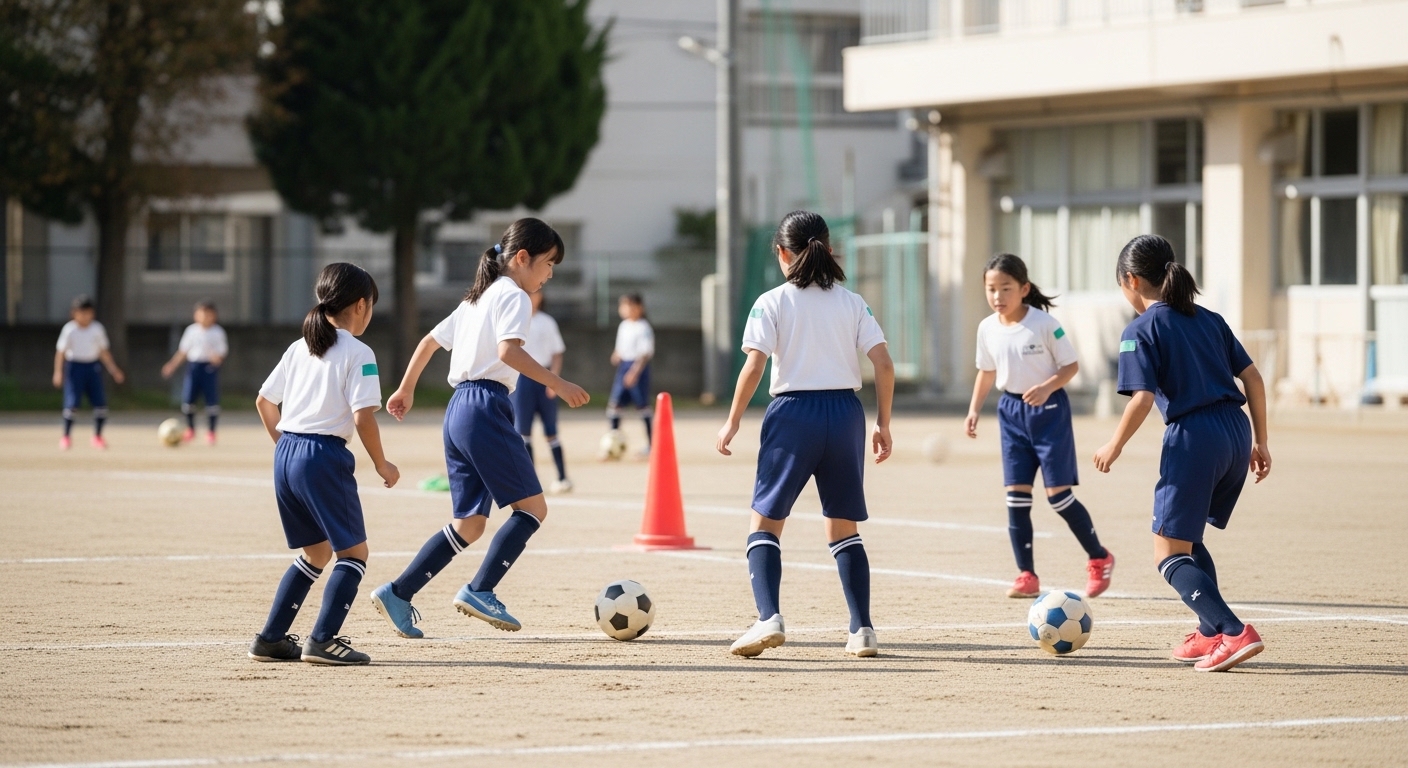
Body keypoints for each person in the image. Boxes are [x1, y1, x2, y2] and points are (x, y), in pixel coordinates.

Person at [369, 218, 589, 640]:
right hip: (486, 406)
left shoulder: (476, 298)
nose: (550, 274)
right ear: (522, 259)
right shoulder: (514, 296)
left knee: (469, 523)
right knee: (533, 509)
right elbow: (509, 352)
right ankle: (481, 589)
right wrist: (557, 383)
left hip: (457, 411)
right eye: (548, 263)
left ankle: (398, 593)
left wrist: (406, 388)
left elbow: (429, 342)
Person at [716, 210, 894, 659]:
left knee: (765, 523)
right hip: (846, 412)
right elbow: (884, 364)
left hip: (794, 414)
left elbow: (754, 366)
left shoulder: (772, 301)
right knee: (843, 527)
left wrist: (733, 419)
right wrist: (883, 423)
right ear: (828, 248)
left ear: (781, 253)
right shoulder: (852, 301)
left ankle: (768, 618)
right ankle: (863, 630)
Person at [1094, 234, 1272, 673]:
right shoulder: (1209, 318)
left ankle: (1232, 632)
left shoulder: (1140, 329)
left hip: (1195, 436)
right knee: (1189, 541)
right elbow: (1254, 380)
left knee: (1167, 552)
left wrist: (1112, 445)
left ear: (1131, 281)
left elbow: (1140, 398)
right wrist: (1261, 441)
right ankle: (1209, 631)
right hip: (1235, 431)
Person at [250, 263, 399, 666]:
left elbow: (265, 402)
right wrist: (383, 464)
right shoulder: (359, 352)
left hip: (287, 454)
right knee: (354, 553)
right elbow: (363, 416)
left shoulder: (299, 347)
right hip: (322, 456)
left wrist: (285, 445)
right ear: (362, 305)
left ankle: (271, 639)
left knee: (315, 553)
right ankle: (324, 640)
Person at [964, 254, 1115, 599]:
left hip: (1048, 412)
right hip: (1011, 413)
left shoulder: (1044, 324)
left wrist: (1048, 386)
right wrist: (974, 409)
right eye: (991, 289)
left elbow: (1071, 365)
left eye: (1006, 288)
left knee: (1058, 498)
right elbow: (986, 371)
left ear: (1024, 289)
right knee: (1016, 498)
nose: (998, 296)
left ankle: (1099, 557)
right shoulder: (986, 328)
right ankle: (1027, 575)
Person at [512, 291, 572, 493]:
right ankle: (531, 481)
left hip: (544, 377)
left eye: (536, 293)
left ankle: (563, 478)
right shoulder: (515, 319)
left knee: (551, 430)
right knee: (523, 432)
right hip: (522, 380)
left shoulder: (547, 322)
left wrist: (554, 380)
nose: (532, 296)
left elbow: (557, 353)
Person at [53, 295, 125, 450]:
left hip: (93, 368)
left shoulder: (97, 329)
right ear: (74, 313)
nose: (85, 316)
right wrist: (58, 372)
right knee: (72, 404)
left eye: (88, 312)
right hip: (74, 368)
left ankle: (97, 436)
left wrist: (113, 370)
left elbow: (103, 352)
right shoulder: (70, 330)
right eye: (81, 312)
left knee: (100, 404)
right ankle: (66, 436)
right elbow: (61, 352)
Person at [161, 299, 228, 445]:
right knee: (188, 400)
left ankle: (211, 432)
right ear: (195, 315)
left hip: (209, 368)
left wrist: (216, 358)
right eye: (201, 313)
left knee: (211, 401)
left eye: (207, 313)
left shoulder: (217, 332)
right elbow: (183, 351)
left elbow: (221, 354)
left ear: (214, 315)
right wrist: (171, 365)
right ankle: (191, 429)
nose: (204, 316)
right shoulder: (191, 331)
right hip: (193, 367)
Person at [602, 292, 653, 459]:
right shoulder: (623, 325)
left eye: (630, 305)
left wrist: (634, 372)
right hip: (623, 367)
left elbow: (645, 353)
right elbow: (621, 347)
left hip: (636, 368)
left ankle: (652, 446)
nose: (626, 309)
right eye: (623, 306)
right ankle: (611, 444)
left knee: (642, 407)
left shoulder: (643, 327)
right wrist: (616, 354)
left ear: (640, 308)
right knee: (615, 405)